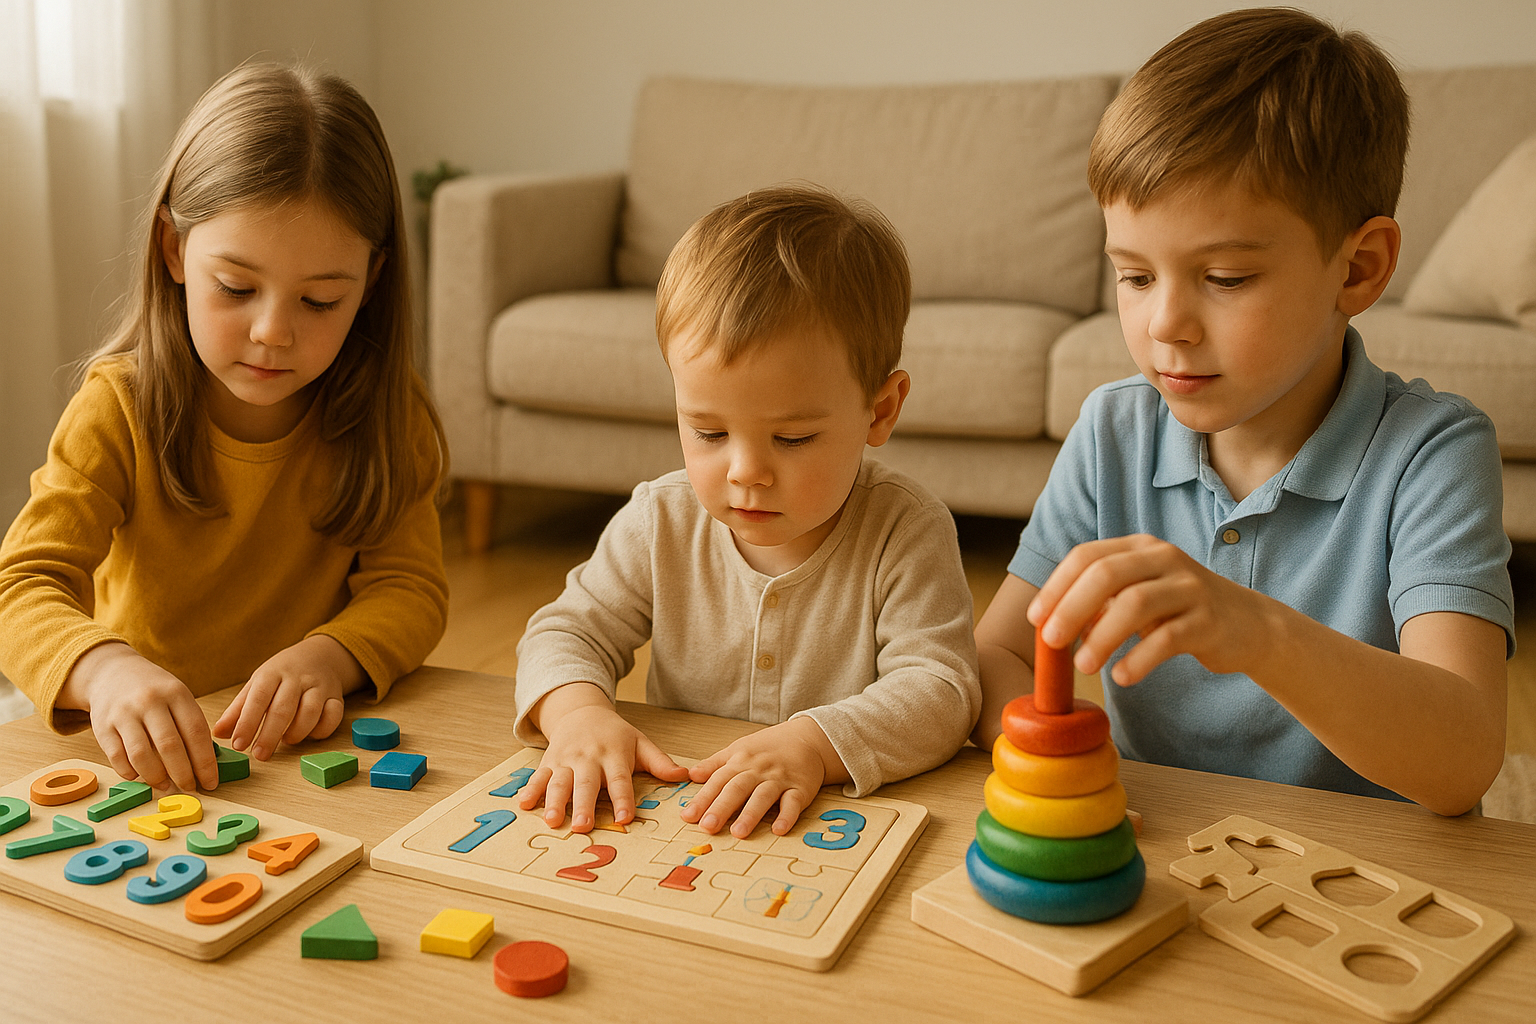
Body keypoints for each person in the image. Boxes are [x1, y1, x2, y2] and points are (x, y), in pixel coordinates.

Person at [973, 8, 1514, 816]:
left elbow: (1464, 759)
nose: (1164, 325)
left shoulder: (1431, 453)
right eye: (1135, 276)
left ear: (1359, 269)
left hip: (1361, 872)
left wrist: (1257, 632)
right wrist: (1057, 766)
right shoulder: (1113, 432)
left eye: (1224, 277)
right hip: (1159, 846)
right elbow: (1001, 650)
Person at [0, 63, 449, 794]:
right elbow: (22, 585)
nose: (273, 332)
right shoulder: (119, 407)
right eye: (236, 288)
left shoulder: (387, 414)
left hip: (290, 761)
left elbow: (411, 587)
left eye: (321, 301)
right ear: (174, 250)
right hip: (141, 760)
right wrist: (105, 670)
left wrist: (328, 658)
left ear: (370, 283)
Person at [513, 184, 981, 838]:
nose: (746, 473)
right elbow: (564, 632)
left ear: (880, 411)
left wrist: (813, 746)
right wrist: (577, 714)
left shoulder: (906, 528)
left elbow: (942, 691)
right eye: (708, 432)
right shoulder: (661, 520)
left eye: (791, 439)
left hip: (834, 822)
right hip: (682, 819)